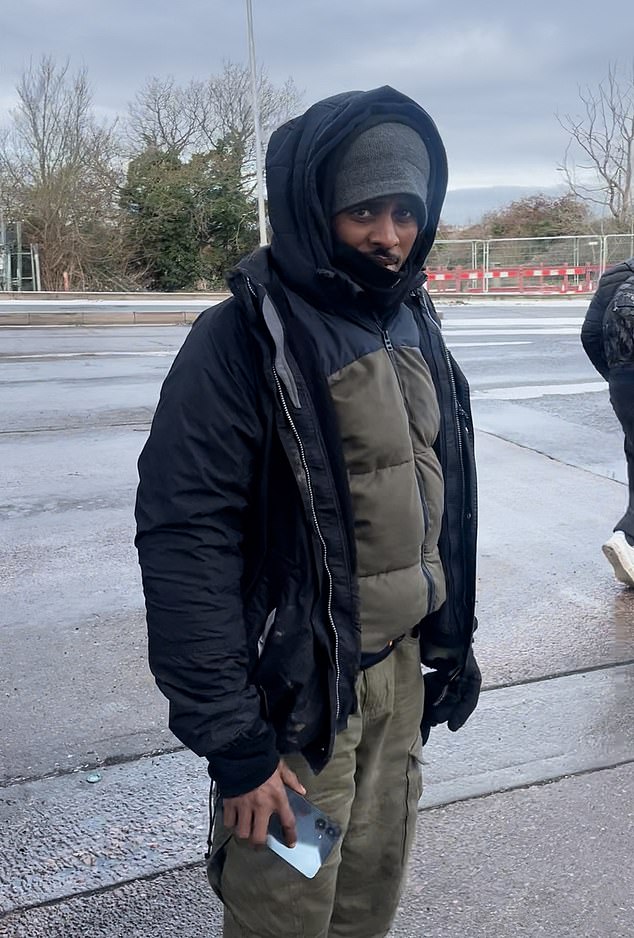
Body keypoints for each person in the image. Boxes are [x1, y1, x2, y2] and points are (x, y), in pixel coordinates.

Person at [135, 85, 480, 938]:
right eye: (365, 209)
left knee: (365, 898)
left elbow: (441, 495)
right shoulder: (241, 339)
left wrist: (451, 642)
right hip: (297, 720)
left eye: (407, 209)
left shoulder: (409, 320)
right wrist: (236, 744)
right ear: (313, 205)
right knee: (290, 913)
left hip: (395, 694)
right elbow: (187, 541)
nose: (391, 236)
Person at [582, 257, 634, 587]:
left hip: (624, 379)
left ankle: (627, 539)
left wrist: (615, 376)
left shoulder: (616, 275)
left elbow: (589, 334)